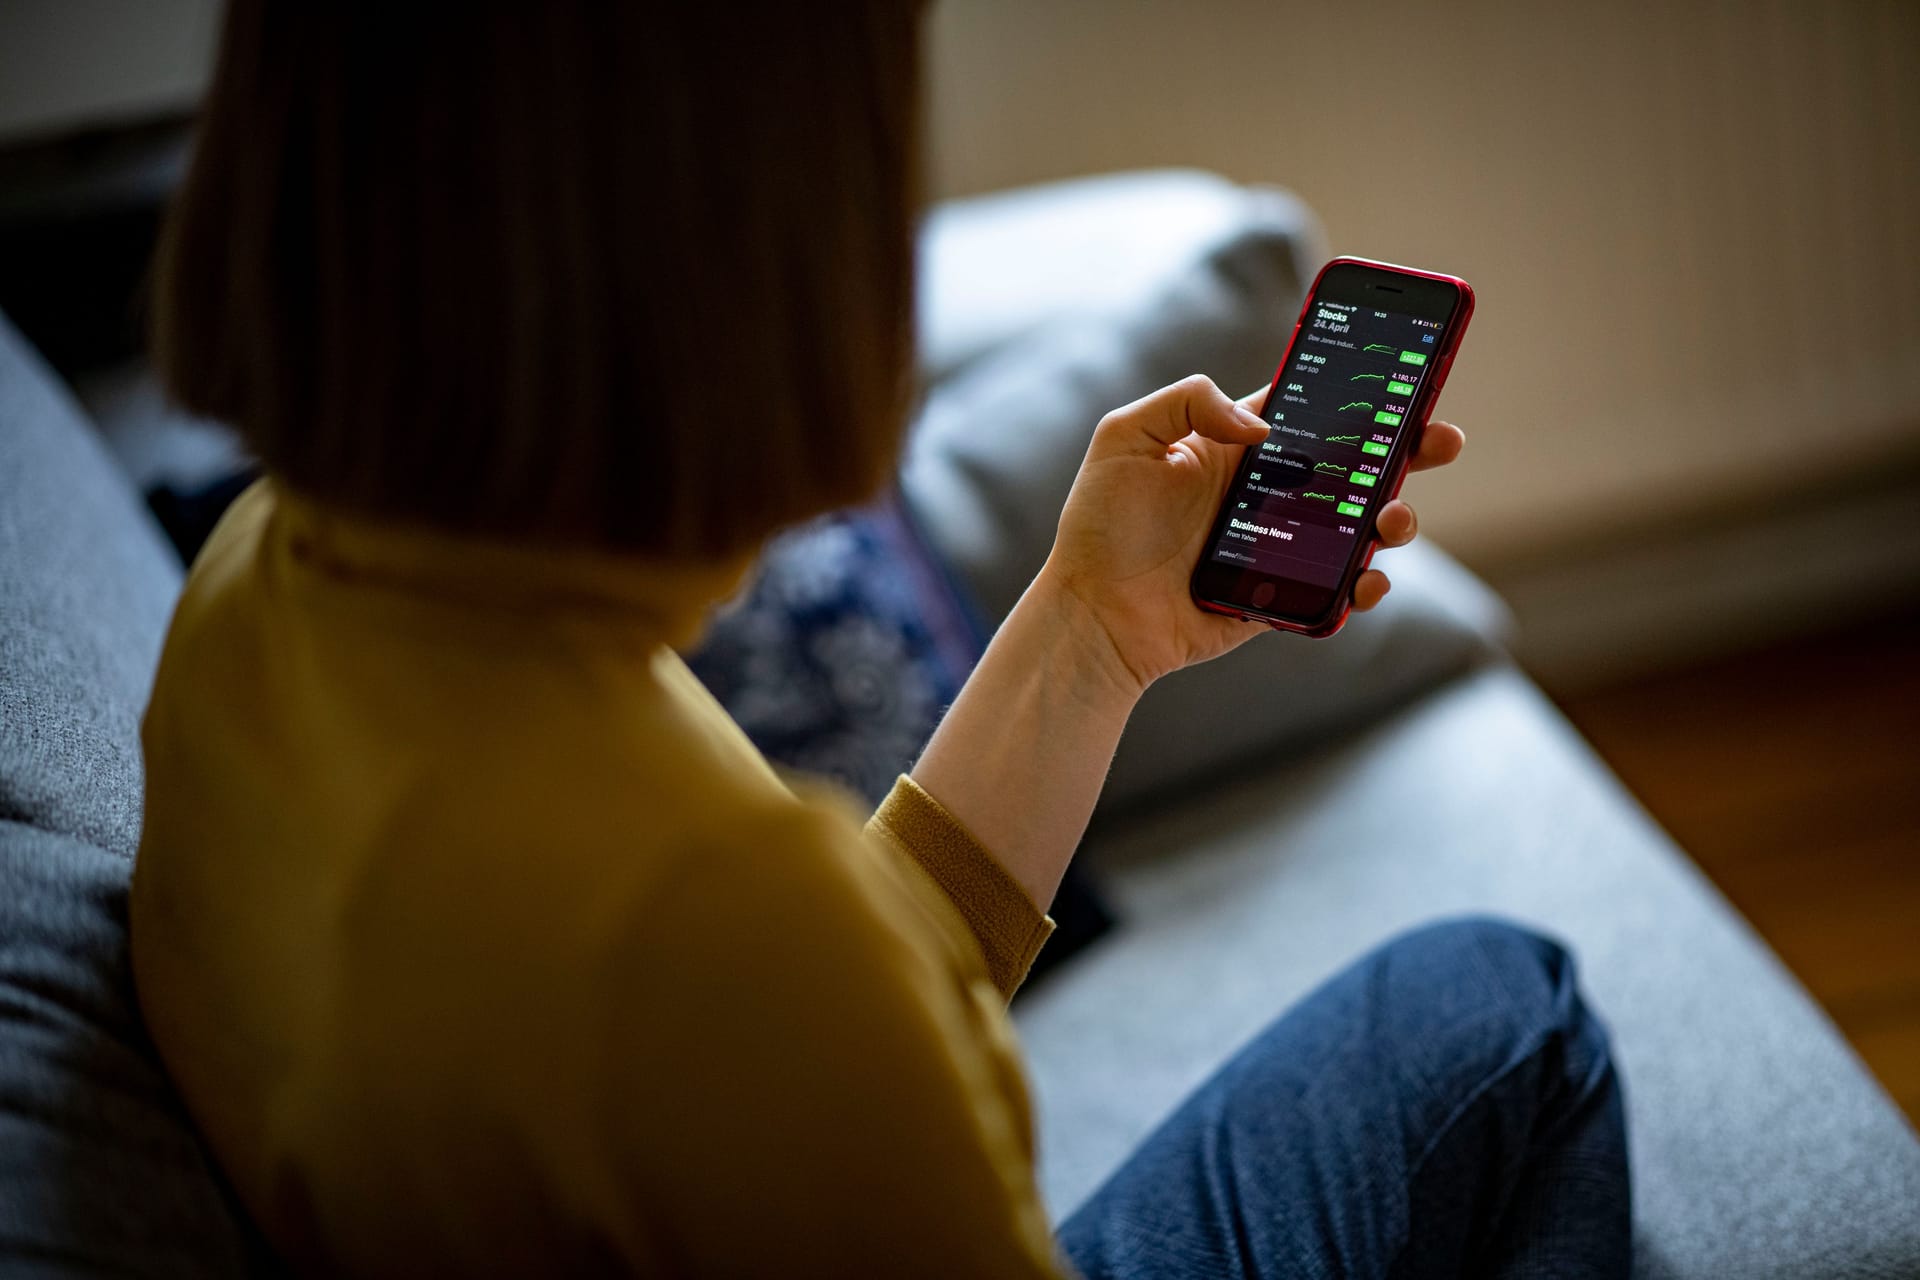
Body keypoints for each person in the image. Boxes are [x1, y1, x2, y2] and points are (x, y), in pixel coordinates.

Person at [130, 3, 1630, 1276]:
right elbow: (770, 981)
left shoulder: (269, 585)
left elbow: (785, 1027)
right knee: (1509, 1011)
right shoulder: (713, 917)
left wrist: (1093, 633)